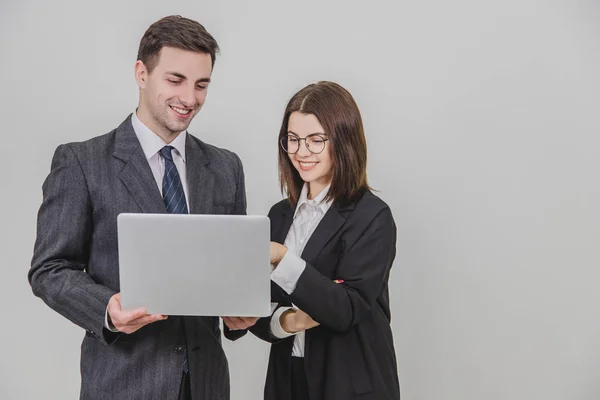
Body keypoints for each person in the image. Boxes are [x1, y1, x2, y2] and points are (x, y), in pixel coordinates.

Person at [28, 15, 256, 400]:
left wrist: (240, 317)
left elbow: (231, 270)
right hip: (123, 383)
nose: (189, 98)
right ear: (141, 73)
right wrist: (107, 308)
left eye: (201, 85)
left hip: (206, 385)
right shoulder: (82, 162)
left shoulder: (225, 167)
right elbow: (49, 269)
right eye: (175, 80)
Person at [250, 81, 400, 400]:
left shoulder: (371, 217)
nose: (301, 152)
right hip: (288, 381)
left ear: (343, 141)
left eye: (316, 140)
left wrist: (281, 258)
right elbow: (259, 304)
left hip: (350, 384)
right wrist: (287, 321)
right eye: (293, 139)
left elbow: (346, 309)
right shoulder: (279, 215)